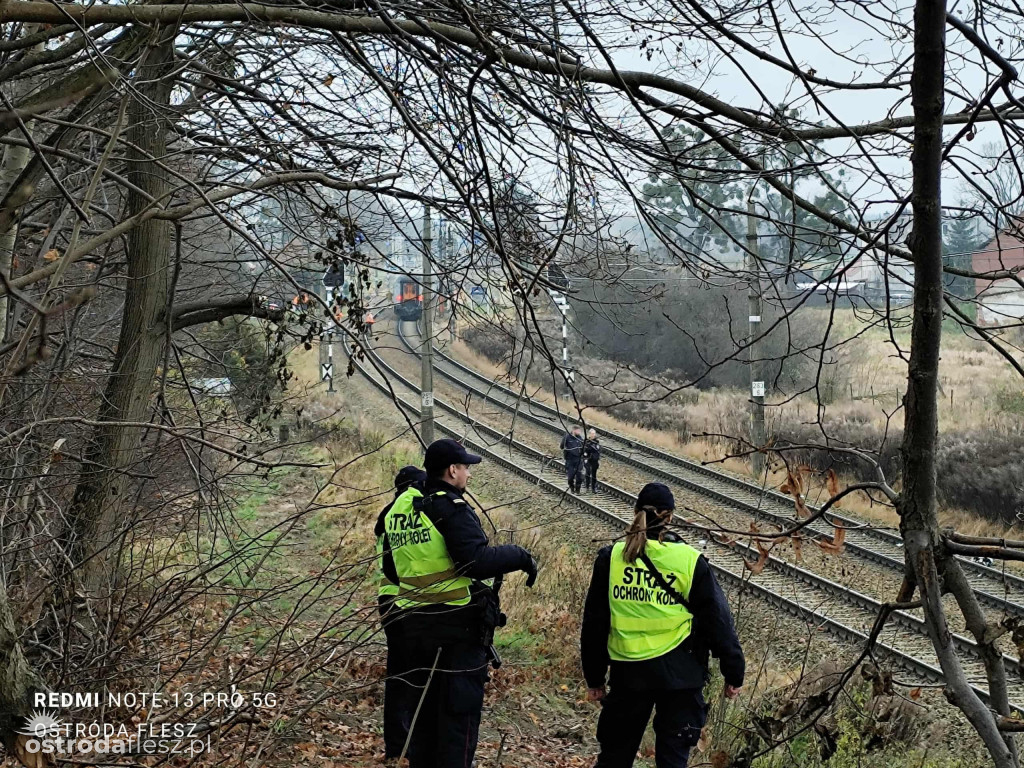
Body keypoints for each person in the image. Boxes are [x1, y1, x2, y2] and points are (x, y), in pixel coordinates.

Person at [382, 438, 539, 768]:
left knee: (424, 720)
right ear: (453, 470)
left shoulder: (401, 511)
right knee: (457, 722)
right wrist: (518, 555)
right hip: (455, 633)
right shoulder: (448, 507)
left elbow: (392, 569)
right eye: (466, 468)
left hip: (413, 628)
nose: (468, 474)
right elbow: (475, 561)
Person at [581, 483, 744, 768]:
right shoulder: (689, 561)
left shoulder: (612, 559)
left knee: (614, 760)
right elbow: (717, 621)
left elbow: (595, 623)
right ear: (670, 517)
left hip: (628, 675)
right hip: (680, 677)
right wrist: (734, 672)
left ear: (635, 512)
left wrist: (594, 678)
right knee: (672, 762)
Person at [374, 465, 428, 763]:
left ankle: (396, 743)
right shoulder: (412, 512)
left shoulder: (386, 514)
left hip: (387, 600)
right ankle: (409, 742)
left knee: (398, 672)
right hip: (407, 601)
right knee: (414, 674)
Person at [560, 425, 584, 494]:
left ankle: (578, 489)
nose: (579, 432)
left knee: (579, 475)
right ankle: (571, 487)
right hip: (570, 460)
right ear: (574, 430)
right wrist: (564, 443)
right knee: (570, 476)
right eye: (578, 431)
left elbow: (583, 448)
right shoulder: (567, 437)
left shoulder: (580, 439)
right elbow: (561, 446)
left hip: (578, 460)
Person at [583, 428, 601, 493]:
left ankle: (594, 488)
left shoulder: (597, 442)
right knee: (588, 473)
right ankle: (587, 486)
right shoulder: (587, 442)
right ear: (589, 434)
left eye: (594, 434)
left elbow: (598, 451)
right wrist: (585, 459)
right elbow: (585, 451)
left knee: (594, 475)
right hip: (588, 460)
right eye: (592, 434)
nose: (593, 435)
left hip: (595, 461)